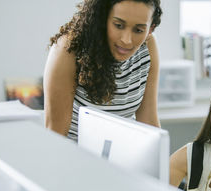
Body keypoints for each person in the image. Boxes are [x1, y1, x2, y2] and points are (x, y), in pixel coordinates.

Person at [43, 0, 162, 141]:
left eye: (138, 30)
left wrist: (162, 159)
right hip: (74, 156)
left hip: (122, 155)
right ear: (102, 19)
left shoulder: (148, 47)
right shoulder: (68, 49)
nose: (127, 40)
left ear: (150, 29)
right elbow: (55, 134)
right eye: (118, 25)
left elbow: (148, 121)